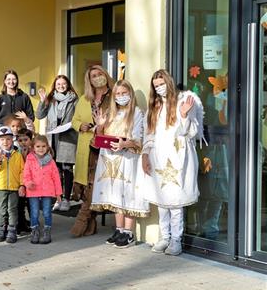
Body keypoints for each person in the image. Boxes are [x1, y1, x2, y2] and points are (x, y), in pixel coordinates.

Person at [142, 70, 202, 256]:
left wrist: (184, 116)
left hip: (177, 159)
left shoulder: (183, 101)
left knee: (175, 201)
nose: (159, 88)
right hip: (158, 158)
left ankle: (177, 240)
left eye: (162, 83)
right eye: (156, 85)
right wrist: (145, 154)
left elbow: (191, 132)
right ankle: (165, 236)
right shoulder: (155, 108)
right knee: (162, 201)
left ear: (169, 82)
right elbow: (149, 134)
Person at [89, 80, 148, 248]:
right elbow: (100, 135)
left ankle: (128, 233)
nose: (121, 97)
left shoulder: (136, 113)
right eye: (118, 94)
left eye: (124, 93)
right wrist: (100, 126)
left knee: (127, 192)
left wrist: (124, 144)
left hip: (127, 157)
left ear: (130, 94)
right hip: (110, 157)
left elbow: (138, 139)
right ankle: (119, 229)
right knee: (115, 192)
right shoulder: (111, 113)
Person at [70, 66, 115, 237]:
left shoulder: (113, 96)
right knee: (87, 184)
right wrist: (80, 126)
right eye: (93, 76)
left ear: (105, 75)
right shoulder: (84, 99)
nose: (97, 78)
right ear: (89, 81)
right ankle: (91, 223)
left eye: (99, 74)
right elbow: (74, 120)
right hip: (87, 146)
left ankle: (82, 219)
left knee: (96, 183)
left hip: (105, 145)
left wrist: (103, 126)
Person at [36, 75, 79, 211]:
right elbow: (39, 115)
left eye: (63, 83)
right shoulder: (50, 99)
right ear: (54, 85)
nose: (61, 86)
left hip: (68, 137)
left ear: (68, 84)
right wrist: (42, 101)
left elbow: (78, 116)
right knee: (56, 170)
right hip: (53, 138)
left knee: (66, 168)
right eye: (58, 84)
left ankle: (66, 199)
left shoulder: (74, 100)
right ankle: (58, 199)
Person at [23, 135, 62, 245]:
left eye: (43, 146)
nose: (41, 149)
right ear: (33, 147)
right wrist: (28, 183)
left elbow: (56, 178)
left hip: (47, 191)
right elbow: (26, 174)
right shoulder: (30, 160)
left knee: (47, 212)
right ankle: (34, 231)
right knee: (34, 213)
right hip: (33, 191)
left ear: (48, 147)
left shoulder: (51, 161)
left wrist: (58, 193)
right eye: (38, 146)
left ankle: (47, 231)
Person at [0, 126, 25, 243]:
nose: (5, 142)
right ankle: (0, 231)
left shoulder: (17, 154)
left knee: (12, 209)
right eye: (2, 139)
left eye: (8, 139)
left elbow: (22, 171)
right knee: (1, 209)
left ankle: (12, 231)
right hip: (0, 187)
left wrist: (22, 185)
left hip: (14, 186)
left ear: (12, 140)